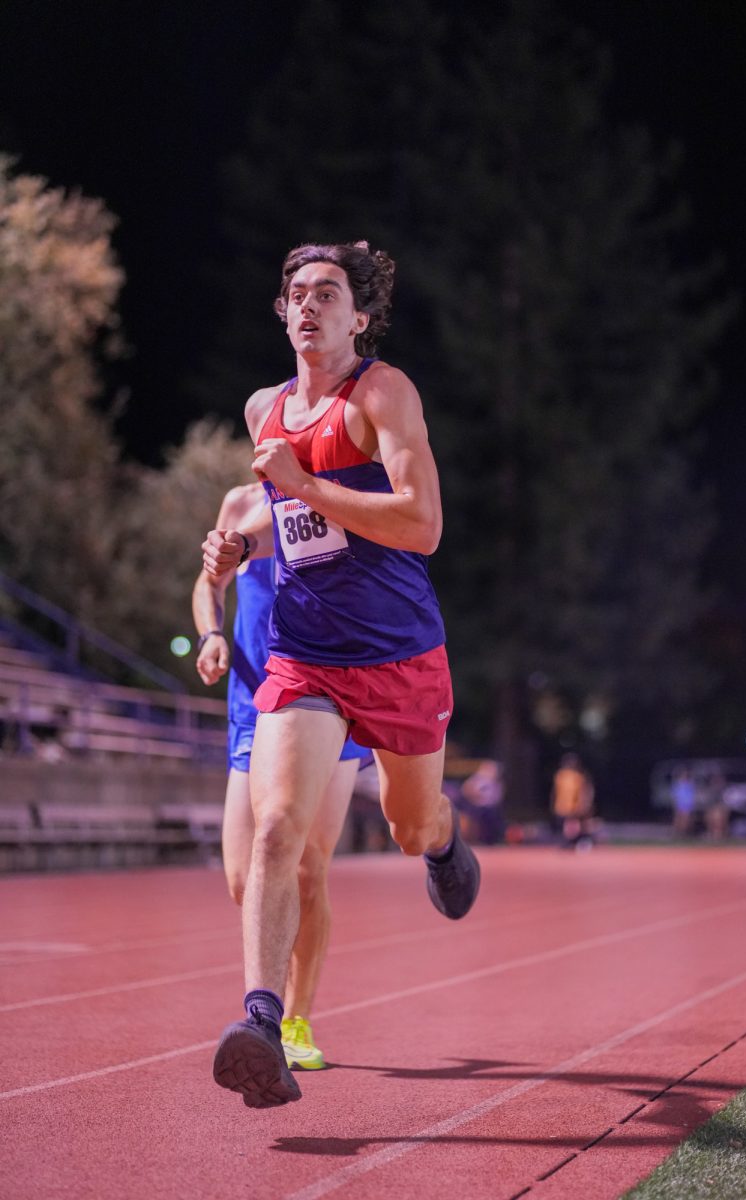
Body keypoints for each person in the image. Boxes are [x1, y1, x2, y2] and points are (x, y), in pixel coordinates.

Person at [203, 240, 480, 1109]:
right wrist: (245, 542)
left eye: (328, 293)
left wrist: (305, 485)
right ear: (282, 313)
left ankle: (440, 839)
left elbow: (424, 524)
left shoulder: (383, 394)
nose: (308, 305)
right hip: (306, 654)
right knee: (278, 830)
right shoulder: (264, 408)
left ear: (360, 317)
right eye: (296, 293)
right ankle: (262, 1022)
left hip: (399, 653)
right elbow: (290, 521)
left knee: (404, 825)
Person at [193, 481, 371, 1071]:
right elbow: (208, 582)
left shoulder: (335, 497)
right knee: (246, 882)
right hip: (252, 707)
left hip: (323, 705)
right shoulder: (240, 505)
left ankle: (291, 1020)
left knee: (306, 870)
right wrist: (212, 633)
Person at [550, 752, 595, 849]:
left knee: (573, 824)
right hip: (562, 805)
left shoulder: (578, 777)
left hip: (574, 806)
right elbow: (555, 791)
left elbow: (584, 791)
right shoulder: (560, 776)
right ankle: (569, 841)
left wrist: (583, 804)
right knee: (568, 825)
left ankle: (573, 841)